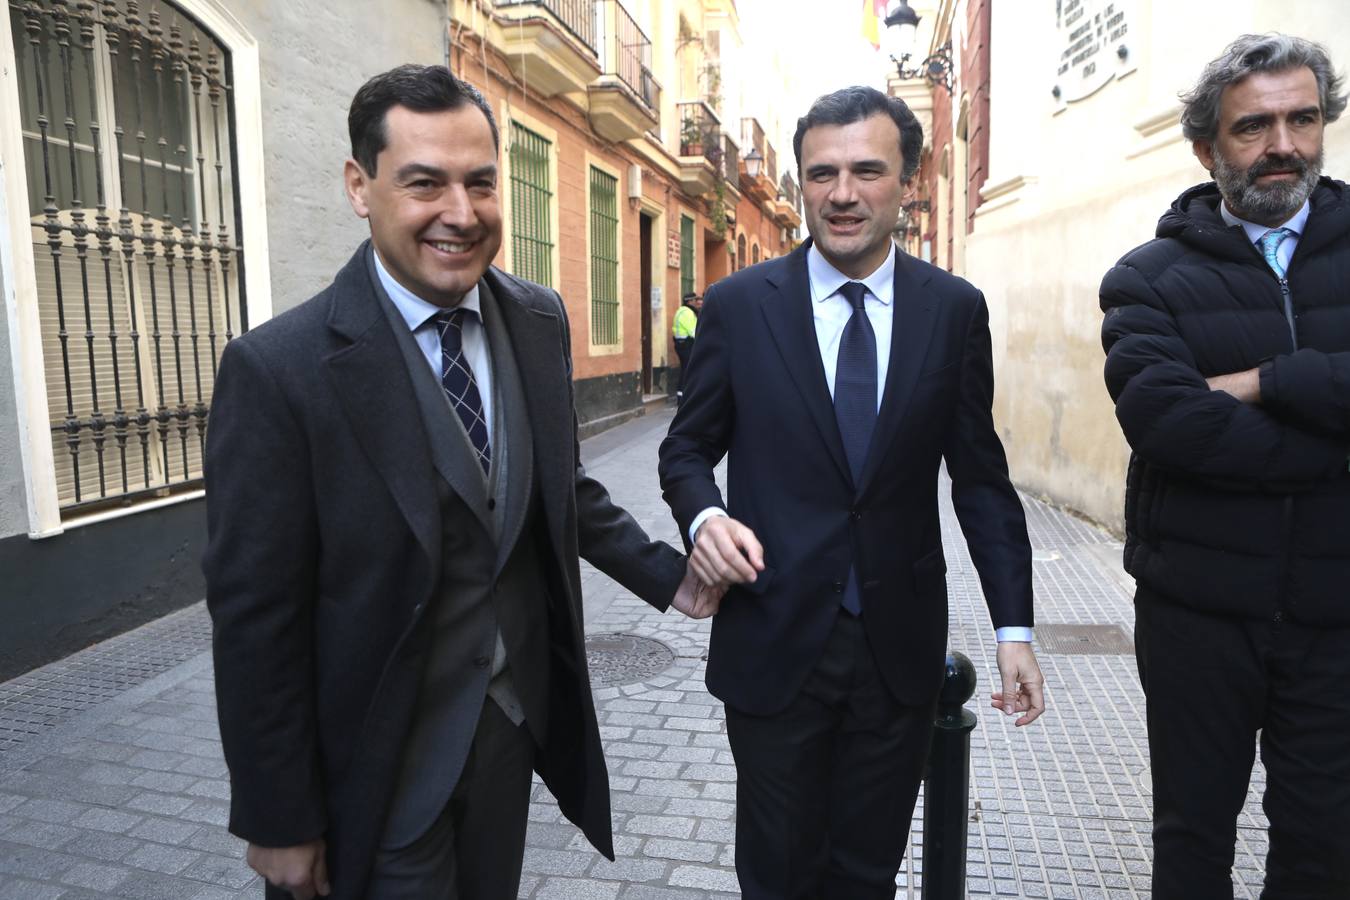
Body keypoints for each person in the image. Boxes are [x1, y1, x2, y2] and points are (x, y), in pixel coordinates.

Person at [202, 64, 718, 900]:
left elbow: (558, 489)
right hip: (374, 765)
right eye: (424, 183)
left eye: (481, 183)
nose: (460, 212)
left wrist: (676, 579)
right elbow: (255, 615)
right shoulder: (280, 371)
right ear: (358, 187)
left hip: (504, 735)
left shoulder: (537, 318)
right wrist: (277, 815)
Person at [658, 85, 1045, 899]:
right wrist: (706, 515)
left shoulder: (953, 311)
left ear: (907, 181)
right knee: (776, 873)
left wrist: (1015, 627)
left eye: (868, 170)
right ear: (802, 182)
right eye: (821, 173)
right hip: (773, 636)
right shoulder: (737, 307)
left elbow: (980, 478)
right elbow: (686, 451)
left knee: (866, 874)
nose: (842, 194)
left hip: (896, 649)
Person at [1100, 33, 1350, 899]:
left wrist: (1266, 381)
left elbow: (1214, 416)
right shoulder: (1149, 279)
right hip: (1198, 617)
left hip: (1337, 614)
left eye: (1303, 119)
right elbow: (1169, 422)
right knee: (1193, 837)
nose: (1284, 144)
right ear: (1208, 148)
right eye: (1255, 126)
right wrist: (1334, 446)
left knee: (1326, 842)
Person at [671, 291, 701, 403]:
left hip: (679, 345)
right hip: (687, 345)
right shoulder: (688, 313)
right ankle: (685, 397)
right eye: (694, 300)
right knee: (688, 370)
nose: (696, 302)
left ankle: (681, 395)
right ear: (689, 301)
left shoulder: (680, 311)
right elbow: (694, 332)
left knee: (684, 369)